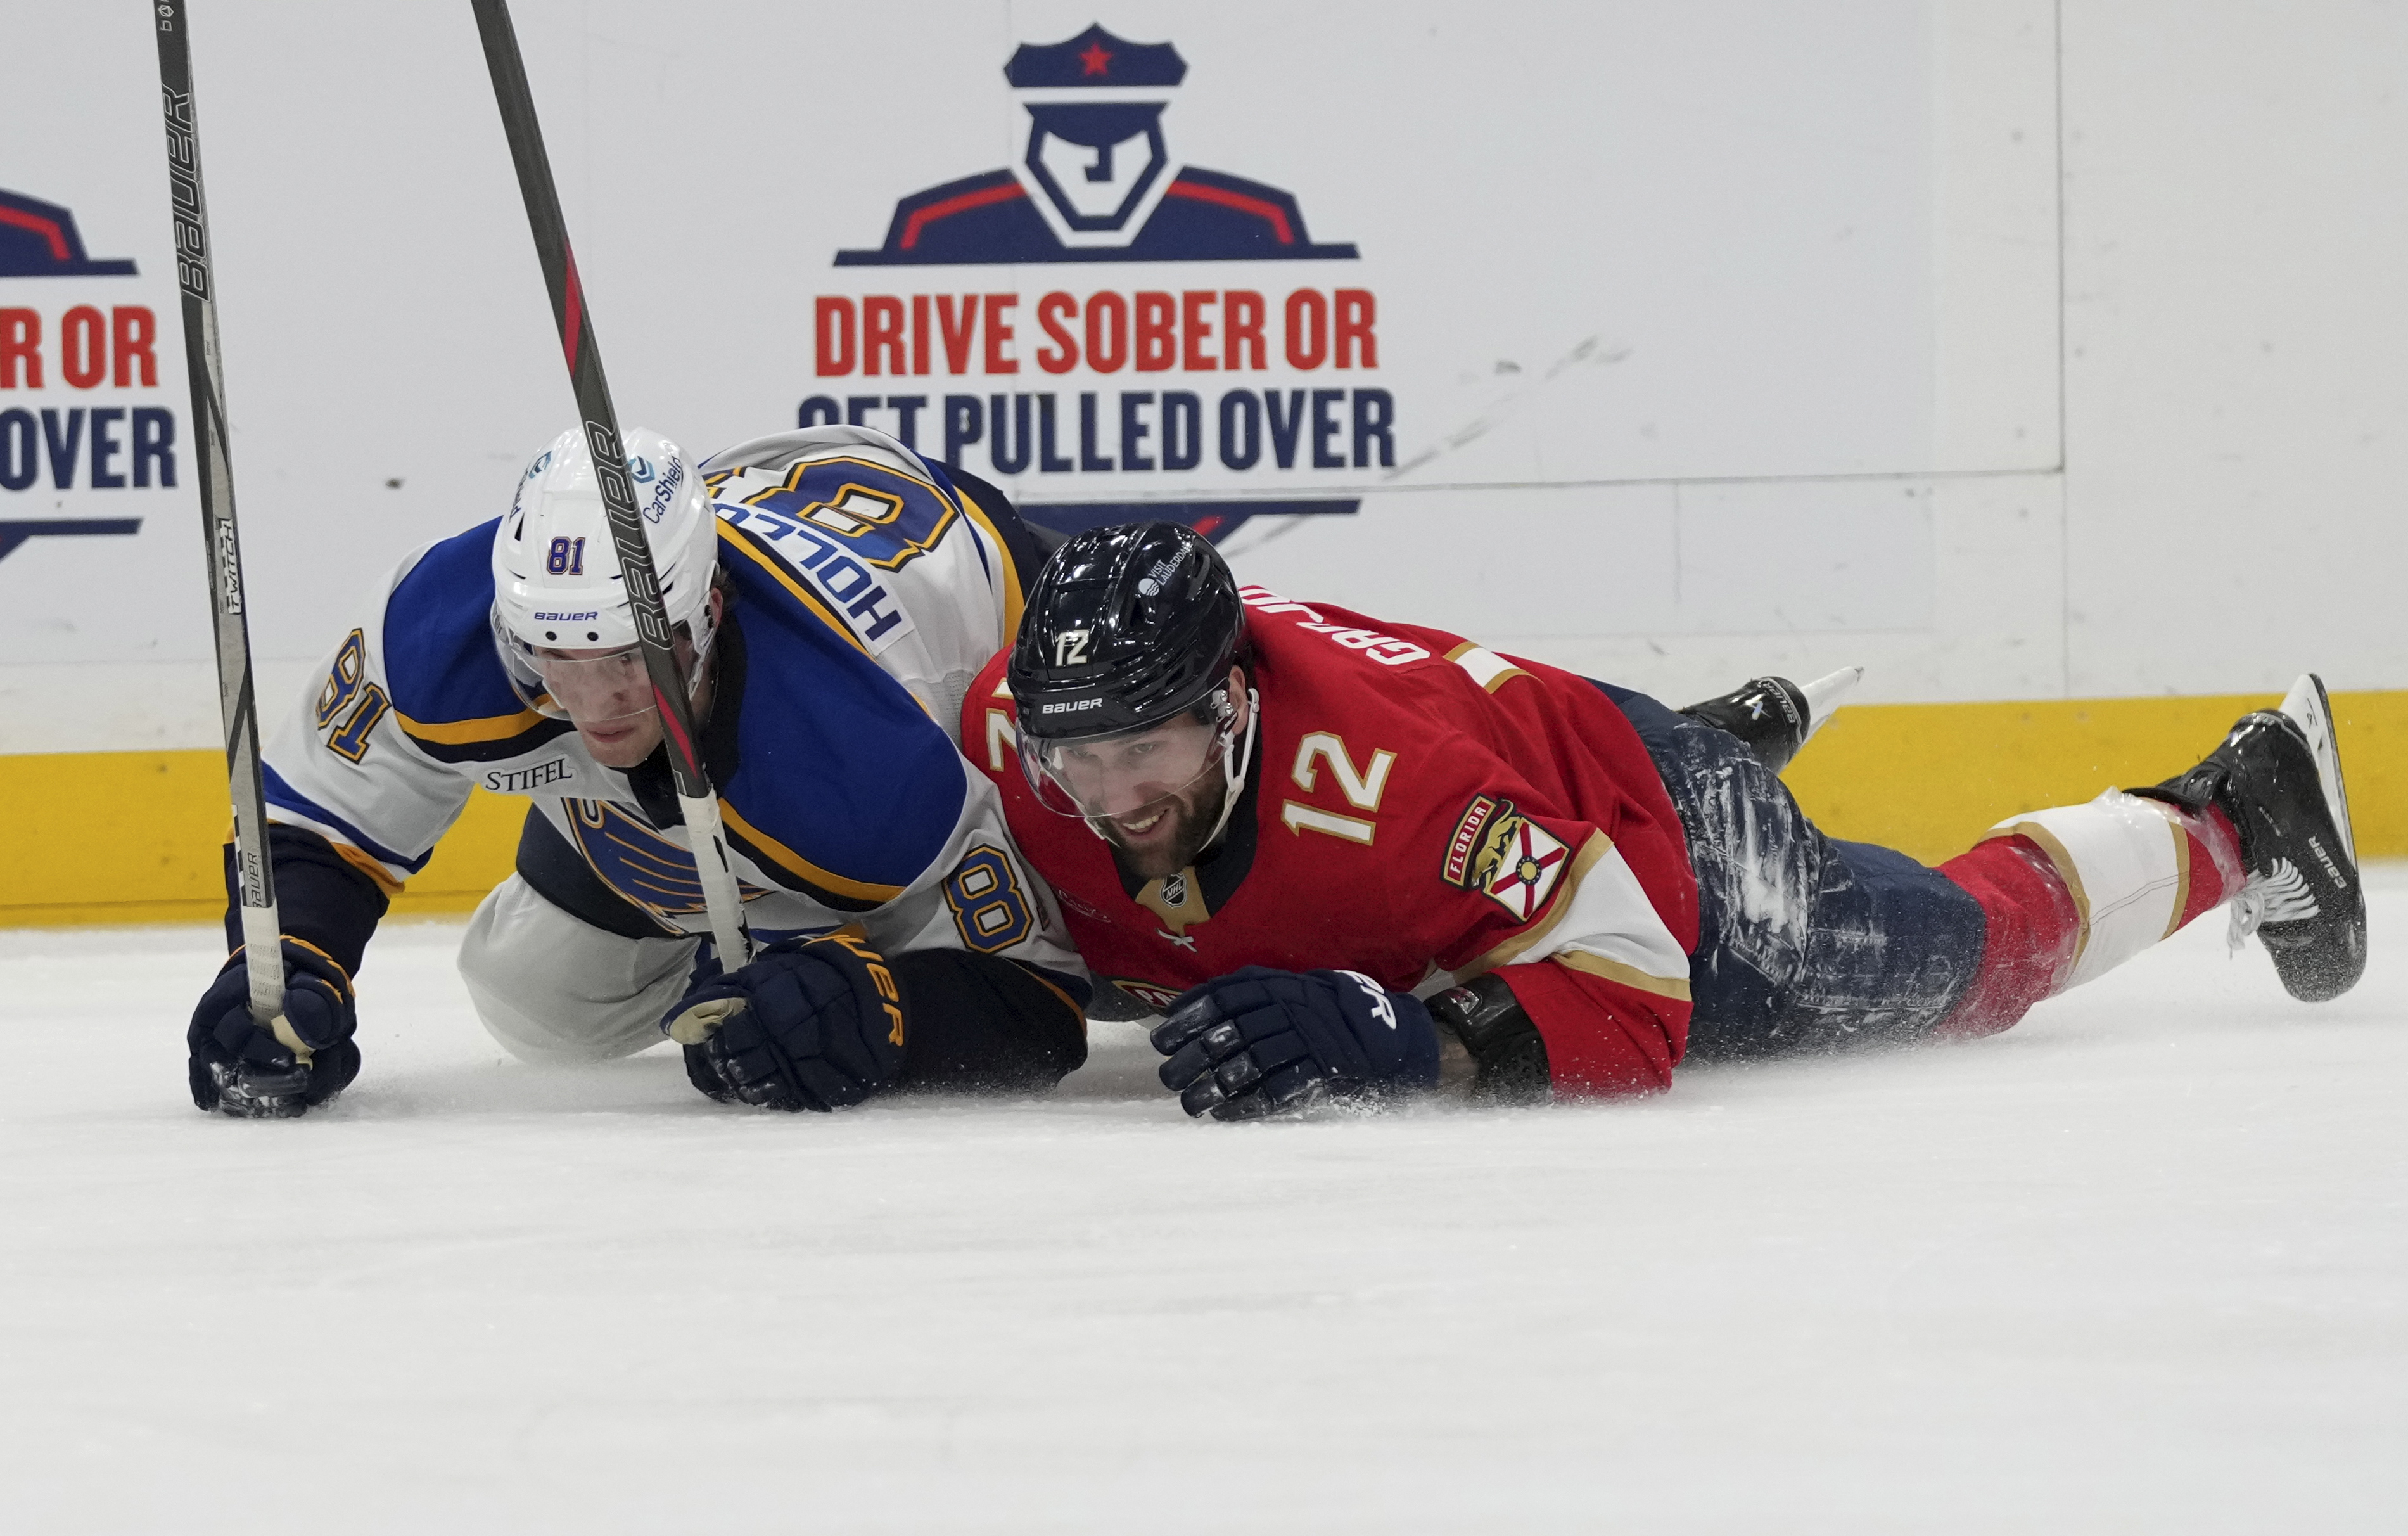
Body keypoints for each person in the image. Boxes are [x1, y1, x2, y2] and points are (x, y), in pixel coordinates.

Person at [966, 522, 2366, 1120]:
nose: (1105, 801)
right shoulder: (1012, 737)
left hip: (1638, 837)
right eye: (1070, 758)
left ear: (1231, 709)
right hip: (1502, 767)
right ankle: (1712, 737)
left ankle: (2226, 817)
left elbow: (1633, 1000)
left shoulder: (1408, 802)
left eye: (1142, 751)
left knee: (1935, 964)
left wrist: (1416, 1045)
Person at [188, 424, 1089, 1118]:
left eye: (630, 659)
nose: (596, 706)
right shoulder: (434, 630)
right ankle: (707, 885)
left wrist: (883, 1014)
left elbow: (1040, 998)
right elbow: (317, 820)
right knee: (535, 1003)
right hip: (754, 551)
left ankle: (802, 926)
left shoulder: (867, 750)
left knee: (1135, 977)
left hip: (968, 581)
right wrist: (281, 965)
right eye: (553, 661)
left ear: (712, 609)